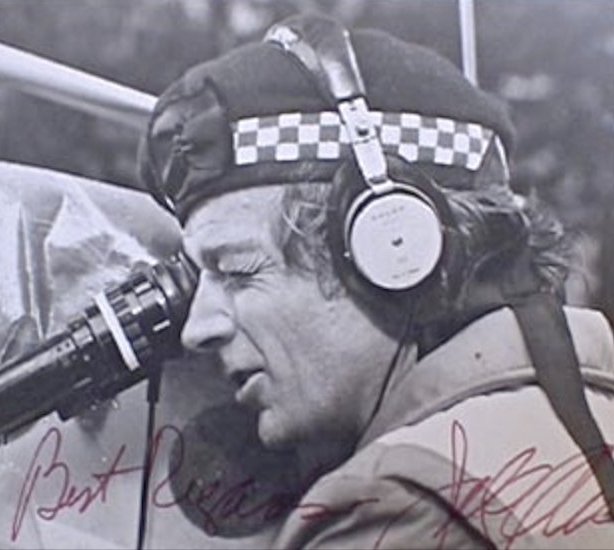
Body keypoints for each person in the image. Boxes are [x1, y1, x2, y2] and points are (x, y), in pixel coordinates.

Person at [138, 13, 614, 549]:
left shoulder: (401, 509)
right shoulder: (576, 419)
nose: (196, 329)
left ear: (390, 254)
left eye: (237, 271)